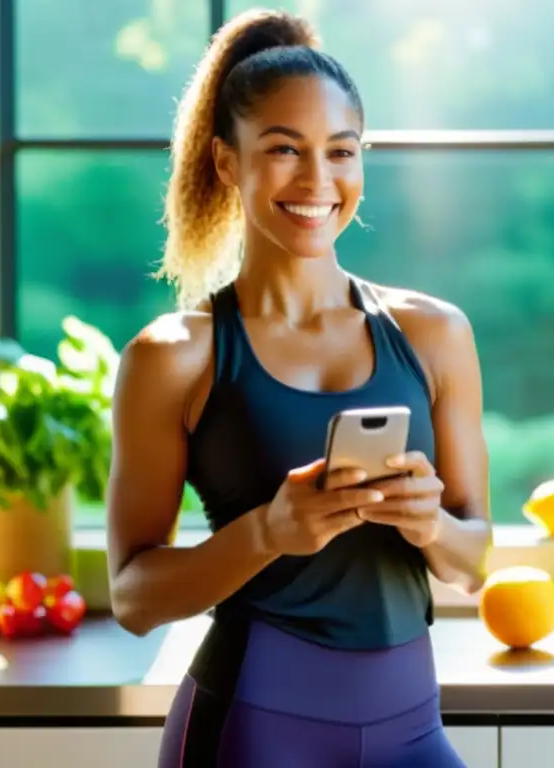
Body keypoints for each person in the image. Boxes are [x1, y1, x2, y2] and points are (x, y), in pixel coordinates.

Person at [105, 9, 493, 767]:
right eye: (284, 150)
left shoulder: (434, 334)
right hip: (253, 732)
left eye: (340, 152)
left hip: (410, 731)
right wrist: (269, 533)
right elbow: (132, 596)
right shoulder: (174, 357)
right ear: (227, 162)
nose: (318, 181)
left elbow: (473, 561)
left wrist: (428, 524)